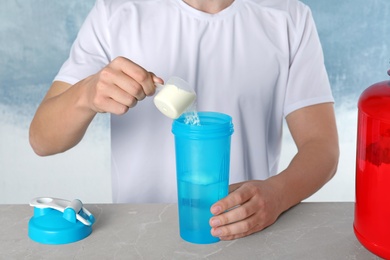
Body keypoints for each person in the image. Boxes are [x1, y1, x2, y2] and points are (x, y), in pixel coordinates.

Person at [29, 0, 339, 240]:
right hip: (139, 237)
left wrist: (278, 193)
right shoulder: (117, 11)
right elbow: (42, 139)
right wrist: (87, 93)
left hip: (247, 234)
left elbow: (322, 147)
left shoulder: (288, 17)